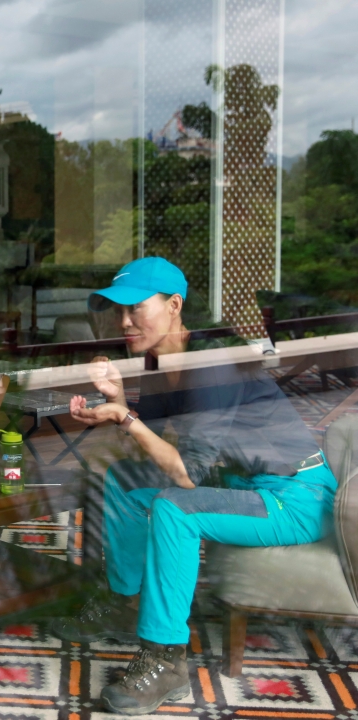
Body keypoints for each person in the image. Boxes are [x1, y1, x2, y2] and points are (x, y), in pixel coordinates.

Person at [49, 257, 337, 715]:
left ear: (174, 305)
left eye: (135, 309)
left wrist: (123, 416)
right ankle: (124, 603)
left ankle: (166, 661)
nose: (124, 322)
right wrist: (120, 400)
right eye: (117, 312)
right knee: (124, 480)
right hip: (244, 487)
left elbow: (184, 476)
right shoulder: (162, 362)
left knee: (173, 507)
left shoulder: (212, 365)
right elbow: (159, 449)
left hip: (294, 498)